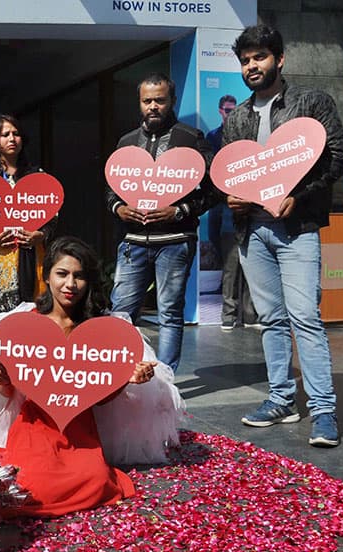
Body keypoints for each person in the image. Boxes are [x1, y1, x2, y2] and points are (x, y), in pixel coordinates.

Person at [0, 236, 184, 517]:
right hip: (33, 427)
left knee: (97, 482)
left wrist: (126, 378)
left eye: (79, 276)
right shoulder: (24, 323)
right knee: (32, 485)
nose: (70, 285)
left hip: (81, 431)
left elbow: (100, 399)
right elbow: (10, 394)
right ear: (47, 276)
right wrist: (0, 378)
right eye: (62, 274)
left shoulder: (100, 329)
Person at [222, 25, 343, 446]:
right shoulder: (238, 117)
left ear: (280, 59)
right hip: (253, 231)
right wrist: (233, 200)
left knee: (305, 319)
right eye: (245, 60)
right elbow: (231, 174)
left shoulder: (311, 103)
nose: (252, 66)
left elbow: (336, 157)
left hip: (296, 228)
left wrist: (301, 195)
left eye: (259, 57)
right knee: (271, 320)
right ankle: (281, 400)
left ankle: (324, 411)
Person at [106, 73, 215, 372]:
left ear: (172, 101)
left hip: (175, 242)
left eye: (160, 100)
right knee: (122, 312)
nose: (153, 106)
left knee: (169, 312)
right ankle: (119, 376)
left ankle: (164, 381)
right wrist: (118, 208)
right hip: (133, 242)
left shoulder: (191, 139)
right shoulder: (126, 143)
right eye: (147, 101)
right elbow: (110, 190)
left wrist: (178, 211)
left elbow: (212, 192)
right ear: (139, 103)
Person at [0, 114, 57, 340]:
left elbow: (52, 217)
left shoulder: (37, 176)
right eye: (5, 134)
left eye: (16, 133)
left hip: (29, 256)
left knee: (31, 328)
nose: (11, 138)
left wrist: (40, 235)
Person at [206, 95, 258, 330]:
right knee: (230, 264)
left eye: (233, 110)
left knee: (250, 265)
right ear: (220, 111)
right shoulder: (213, 137)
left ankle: (249, 315)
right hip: (223, 206)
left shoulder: (248, 138)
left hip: (251, 208)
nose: (230, 114)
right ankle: (229, 315)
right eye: (227, 110)